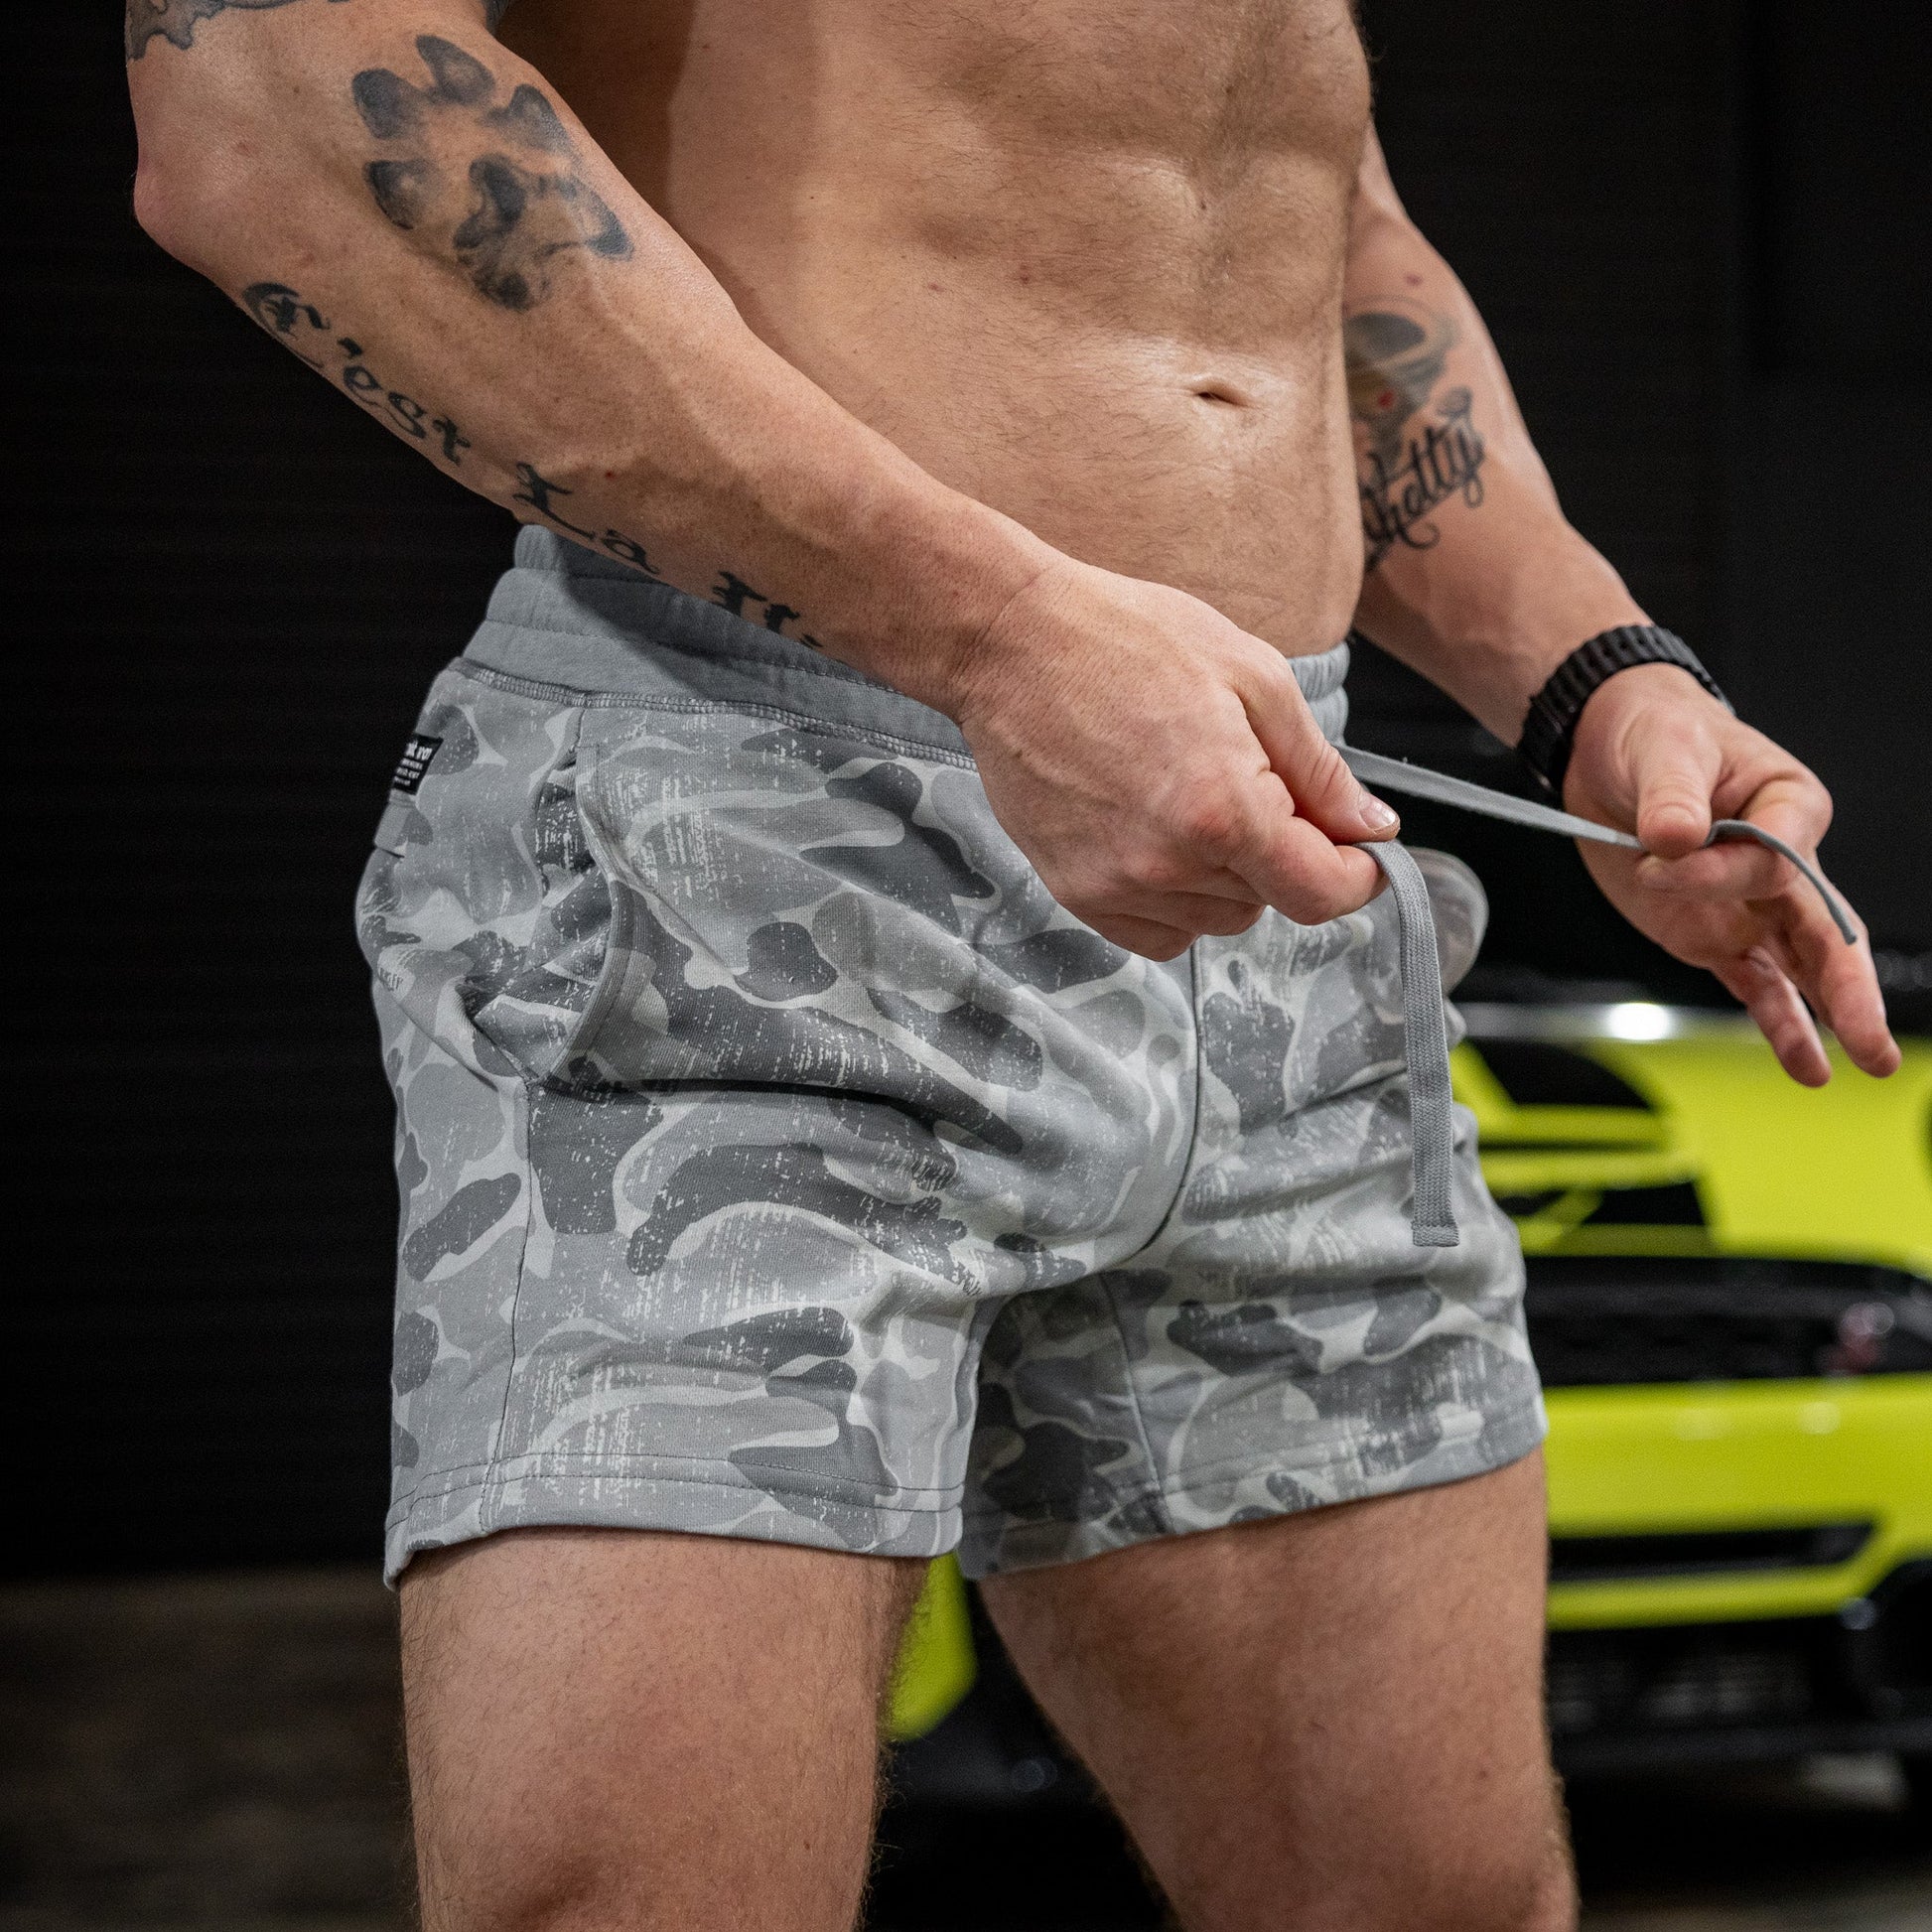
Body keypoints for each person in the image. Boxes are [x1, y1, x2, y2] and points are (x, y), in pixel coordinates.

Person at [126, 1, 1898, 1925]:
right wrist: (993, 634)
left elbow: (1294, 208)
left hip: (1270, 861)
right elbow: (258, 95)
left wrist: (1589, 677)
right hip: (746, 833)